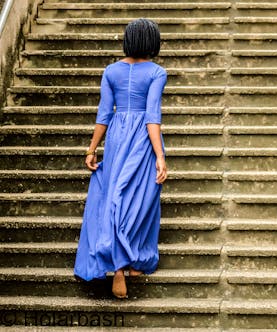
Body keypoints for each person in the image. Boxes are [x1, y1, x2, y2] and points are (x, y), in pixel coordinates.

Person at [73, 18, 168, 299]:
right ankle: (131, 261)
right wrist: (160, 156)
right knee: (141, 197)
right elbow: (152, 117)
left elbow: (104, 114)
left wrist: (92, 149)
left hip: (116, 136)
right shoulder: (156, 72)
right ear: (152, 42)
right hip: (142, 138)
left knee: (115, 194)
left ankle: (118, 264)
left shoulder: (111, 71)